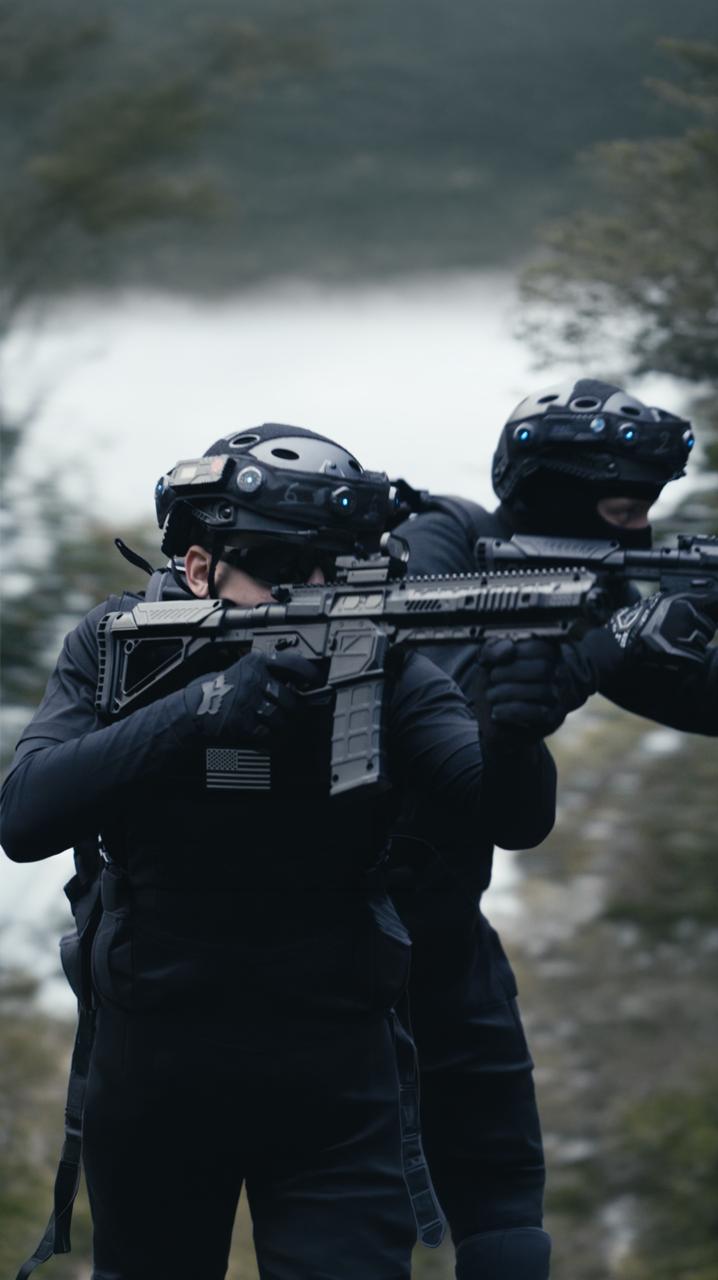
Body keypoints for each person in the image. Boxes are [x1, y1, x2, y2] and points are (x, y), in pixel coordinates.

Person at [1, 423, 560, 1280]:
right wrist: (199, 710)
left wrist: (517, 734)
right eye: (284, 566)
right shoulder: (122, 643)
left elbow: (507, 815)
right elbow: (24, 817)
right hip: (156, 1071)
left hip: (336, 1080)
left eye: (337, 567)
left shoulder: (385, 664)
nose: (317, 591)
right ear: (198, 569)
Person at [389, 377, 718, 1280]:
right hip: (352, 935)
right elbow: (438, 698)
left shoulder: (603, 584)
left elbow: (697, 696)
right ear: (559, 491)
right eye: (622, 505)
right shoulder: (445, 540)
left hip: (453, 941)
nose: (639, 526)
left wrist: (683, 614)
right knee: (350, 1225)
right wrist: (620, 635)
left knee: (506, 1212)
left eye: (648, 506)